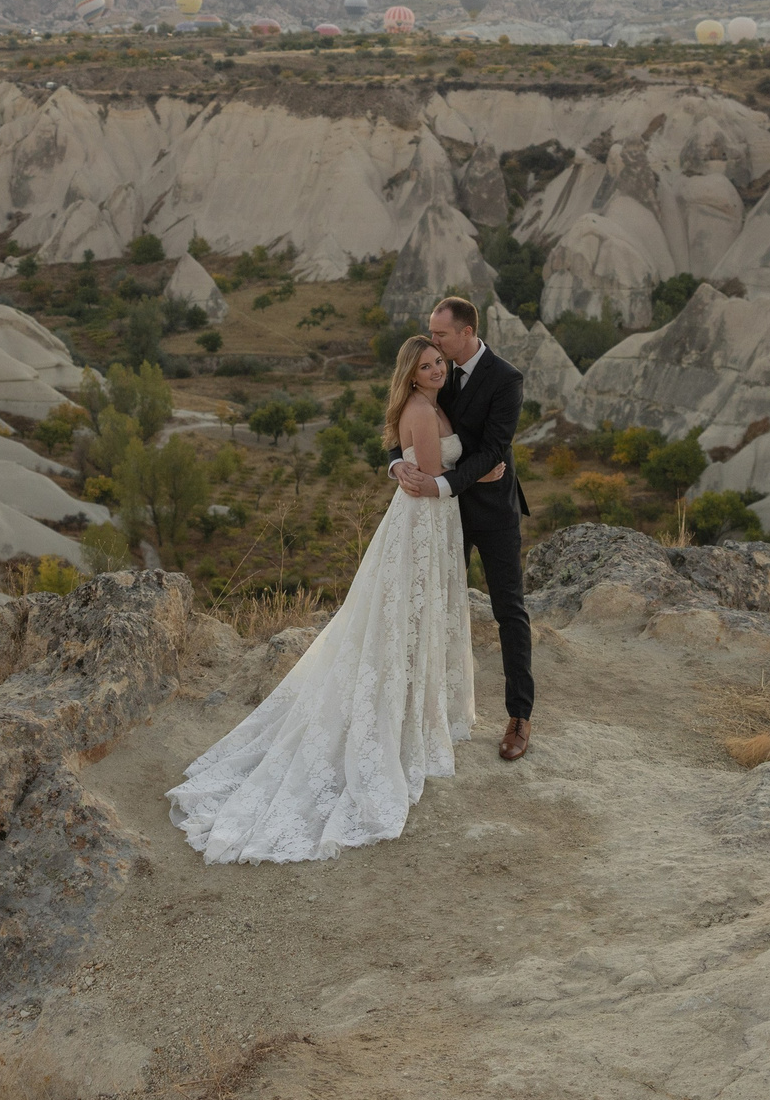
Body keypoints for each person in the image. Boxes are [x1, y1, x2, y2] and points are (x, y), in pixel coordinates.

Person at [165, 334, 494, 863]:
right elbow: (434, 478)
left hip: (423, 521)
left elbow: (405, 455)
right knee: (406, 618)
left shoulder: (425, 404)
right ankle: (398, 720)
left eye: (439, 362)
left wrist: (400, 464)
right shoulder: (425, 413)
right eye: (428, 365)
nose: (437, 370)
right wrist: (482, 470)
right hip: (424, 523)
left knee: (403, 619)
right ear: (411, 374)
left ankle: (413, 706)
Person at [388, 296, 533, 760]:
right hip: (442, 517)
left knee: (508, 610)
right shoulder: (436, 370)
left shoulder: (506, 379)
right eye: (431, 336)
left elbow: (493, 449)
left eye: (440, 335)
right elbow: (402, 424)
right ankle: (424, 707)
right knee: (433, 606)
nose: (433, 342)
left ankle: (519, 717)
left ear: (467, 332)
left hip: (490, 511)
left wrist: (439, 485)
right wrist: (397, 468)